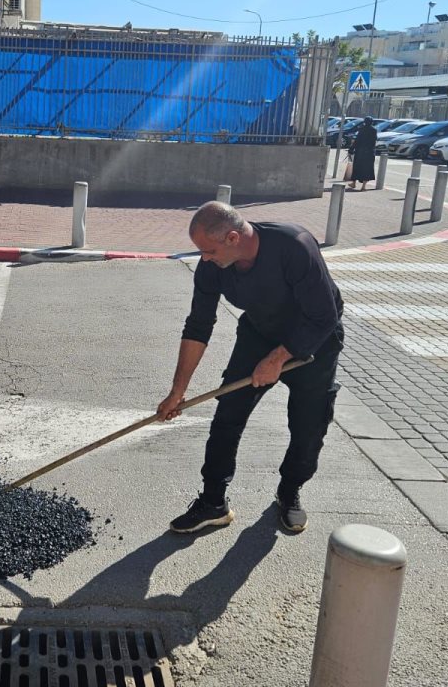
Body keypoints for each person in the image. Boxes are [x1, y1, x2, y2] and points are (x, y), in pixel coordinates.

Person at [157, 202, 344, 534]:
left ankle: (289, 493)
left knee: (309, 426)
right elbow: (199, 326)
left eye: (209, 250)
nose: (205, 258)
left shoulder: (294, 246)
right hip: (259, 333)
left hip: (314, 339)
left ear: (232, 238)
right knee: (228, 414)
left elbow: (324, 316)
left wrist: (277, 359)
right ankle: (213, 502)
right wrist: (177, 392)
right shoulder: (212, 266)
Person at [347, 117, 378, 190]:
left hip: (360, 151)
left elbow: (357, 140)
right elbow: (374, 141)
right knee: (367, 169)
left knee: (357, 167)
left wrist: (351, 149)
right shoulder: (374, 130)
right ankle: (363, 186)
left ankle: (353, 183)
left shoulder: (361, 129)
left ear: (364, 122)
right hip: (369, 152)